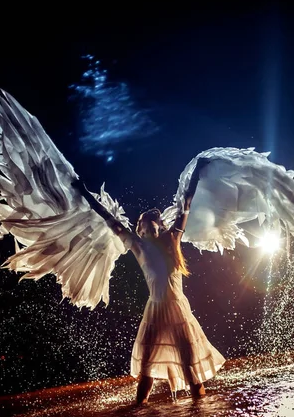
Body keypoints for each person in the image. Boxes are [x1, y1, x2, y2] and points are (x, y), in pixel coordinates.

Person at [72, 157, 225, 404]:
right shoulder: (138, 246)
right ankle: (138, 412)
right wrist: (84, 193)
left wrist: (197, 170)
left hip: (178, 310)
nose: (148, 216)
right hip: (154, 310)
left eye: (153, 217)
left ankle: (202, 413)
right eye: (143, 218)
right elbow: (107, 218)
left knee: (192, 372)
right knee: (146, 371)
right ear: (140, 229)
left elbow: (186, 201)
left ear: (161, 226)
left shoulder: (173, 239)